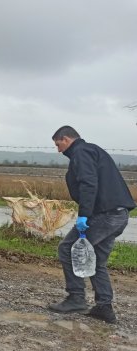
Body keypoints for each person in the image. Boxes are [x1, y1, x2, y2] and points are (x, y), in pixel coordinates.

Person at [48, 126, 135, 323]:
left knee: (67, 248)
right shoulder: (92, 150)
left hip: (104, 215)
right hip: (118, 214)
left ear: (67, 138)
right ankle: (104, 307)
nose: (58, 150)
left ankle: (76, 298)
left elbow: (88, 183)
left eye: (58, 144)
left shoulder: (81, 152)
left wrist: (84, 216)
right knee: (96, 259)